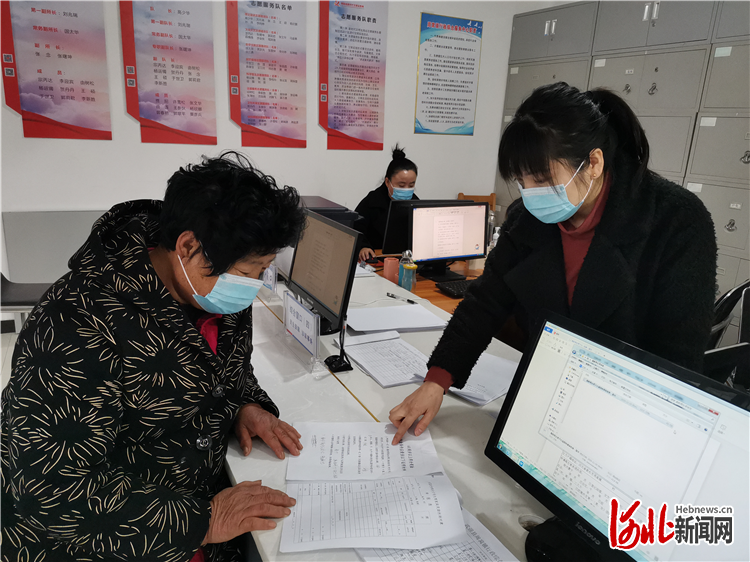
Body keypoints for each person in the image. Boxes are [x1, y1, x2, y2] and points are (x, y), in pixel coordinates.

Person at [1, 152, 307, 562]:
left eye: (262, 271)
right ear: (188, 246)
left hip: (195, 500)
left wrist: (244, 405)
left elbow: (227, 371)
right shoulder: (75, 323)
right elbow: (51, 491)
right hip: (100, 542)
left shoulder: (213, 288)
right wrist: (204, 521)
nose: (252, 287)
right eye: (248, 272)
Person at [388, 82, 717, 444]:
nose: (531, 193)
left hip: (628, 416)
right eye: (522, 180)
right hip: (547, 398)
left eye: (542, 178)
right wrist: (437, 380)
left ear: (593, 163)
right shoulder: (526, 220)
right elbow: (485, 302)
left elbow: (676, 360)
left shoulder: (676, 220)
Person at [354, 144, 419, 262]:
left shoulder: (415, 203)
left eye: (411, 185)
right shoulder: (372, 202)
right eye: (401, 185)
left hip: (407, 260)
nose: (406, 189)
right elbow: (355, 229)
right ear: (387, 182)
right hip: (376, 259)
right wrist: (363, 247)